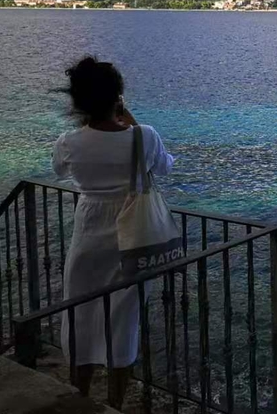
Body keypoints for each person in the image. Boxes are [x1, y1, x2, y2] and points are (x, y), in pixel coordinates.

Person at [53, 57, 174, 408]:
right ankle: (115, 404)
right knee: (125, 321)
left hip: (89, 234)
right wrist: (132, 123)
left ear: (76, 102)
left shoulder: (69, 142)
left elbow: (60, 171)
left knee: (81, 314)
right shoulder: (144, 136)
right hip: (133, 236)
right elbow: (165, 166)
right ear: (118, 97)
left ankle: (80, 396)